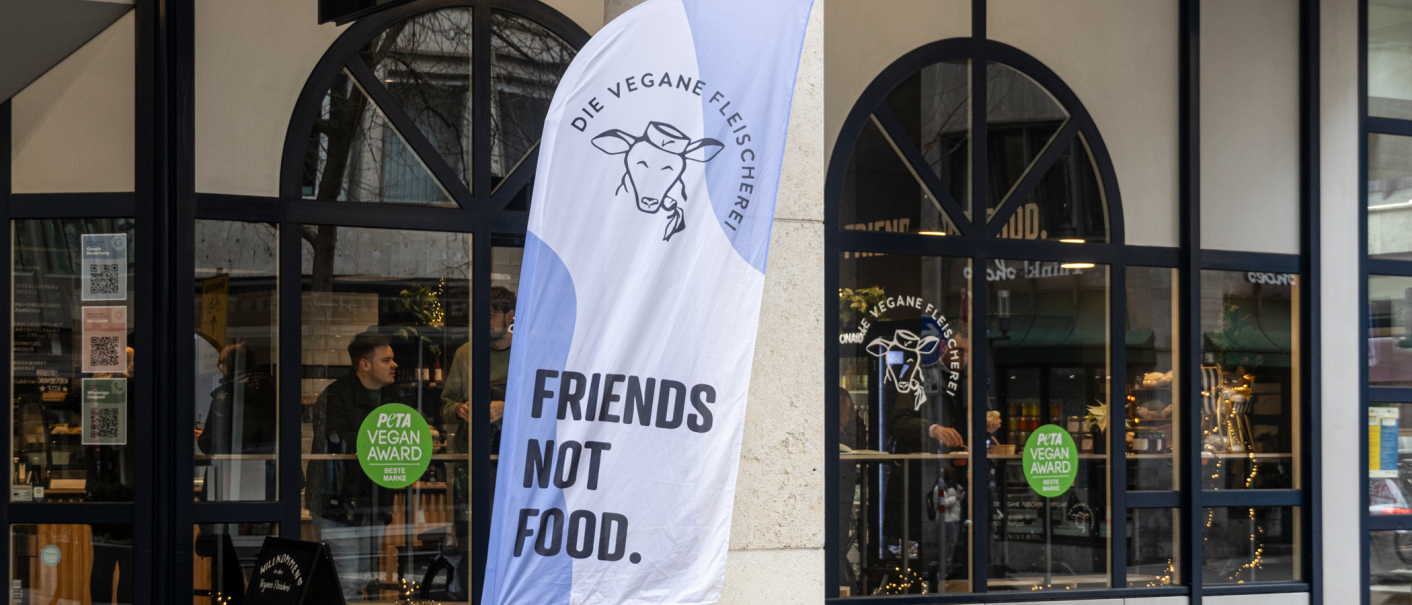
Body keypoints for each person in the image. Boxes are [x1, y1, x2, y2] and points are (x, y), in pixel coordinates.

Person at [305, 332, 402, 601]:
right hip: (338, 504)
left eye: (392, 359)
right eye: (386, 360)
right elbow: (334, 440)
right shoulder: (334, 396)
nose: (394, 365)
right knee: (346, 585)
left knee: (363, 578)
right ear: (365, 364)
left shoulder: (392, 395)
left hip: (375, 502)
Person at [439, 285, 515, 600]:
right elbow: (444, 407)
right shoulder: (465, 354)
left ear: (511, 316)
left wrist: (506, 409)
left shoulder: (530, 351)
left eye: (492, 314)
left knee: (512, 544)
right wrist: (459, 409)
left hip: (515, 467)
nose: (484, 321)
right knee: (472, 544)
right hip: (470, 467)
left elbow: (550, 409)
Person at [198, 342, 278, 501]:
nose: (221, 368)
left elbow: (211, 443)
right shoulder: (276, 388)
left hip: (232, 477)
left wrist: (203, 436)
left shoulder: (226, 394)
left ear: (230, 364)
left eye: (222, 363)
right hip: (268, 475)